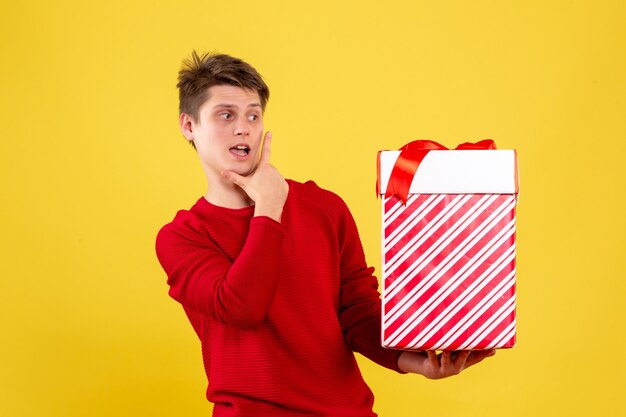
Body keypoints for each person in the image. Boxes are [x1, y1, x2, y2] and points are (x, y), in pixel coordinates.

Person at [155, 51, 495, 417]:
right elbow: (242, 307)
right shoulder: (181, 237)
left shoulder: (323, 207)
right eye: (226, 115)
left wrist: (413, 361)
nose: (244, 128)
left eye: (253, 115)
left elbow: (357, 311)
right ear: (189, 126)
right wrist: (270, 206)